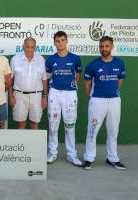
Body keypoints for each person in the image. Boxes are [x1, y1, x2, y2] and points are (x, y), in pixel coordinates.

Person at [83, 36, 126, 170]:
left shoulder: (120, 63)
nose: (104, 49)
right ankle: (89, 158)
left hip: (114, 100)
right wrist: (92, 98)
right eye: (101, 46)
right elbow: (87, 85)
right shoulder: (92, 65)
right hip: (97, 100)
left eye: (107, 46)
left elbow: (119, 81)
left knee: (113, 130)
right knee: (92, 130)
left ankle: (112, 158)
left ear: (112, 47)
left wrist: (112, 93)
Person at [45, 31, 82, 166]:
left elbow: (78, 75)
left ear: (66, 41)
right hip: (54, 92)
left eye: (62, 40)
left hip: (70, 93)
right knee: (53, 124)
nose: (60, 43)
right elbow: (47, 78)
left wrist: (72, 87)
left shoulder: (75, 58)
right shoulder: (50, 59)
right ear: (54, 43)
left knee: (70, 125)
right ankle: (52, 152)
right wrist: (48, 93)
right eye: (57, 41)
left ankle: (71, 155)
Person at [8, 37, 48, 129]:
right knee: (21, 124)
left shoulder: (41, 60)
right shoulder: (15, 59)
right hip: (19, 95)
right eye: (27, 47)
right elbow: (10, 79)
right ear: (23, 46)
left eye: (32, 47)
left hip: (36, 96)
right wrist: (10, 96)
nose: (29, 49)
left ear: (35, 48)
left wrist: (45, 96)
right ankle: (22, 143)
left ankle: (33, 144)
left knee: (35, 123)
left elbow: (44, 79)